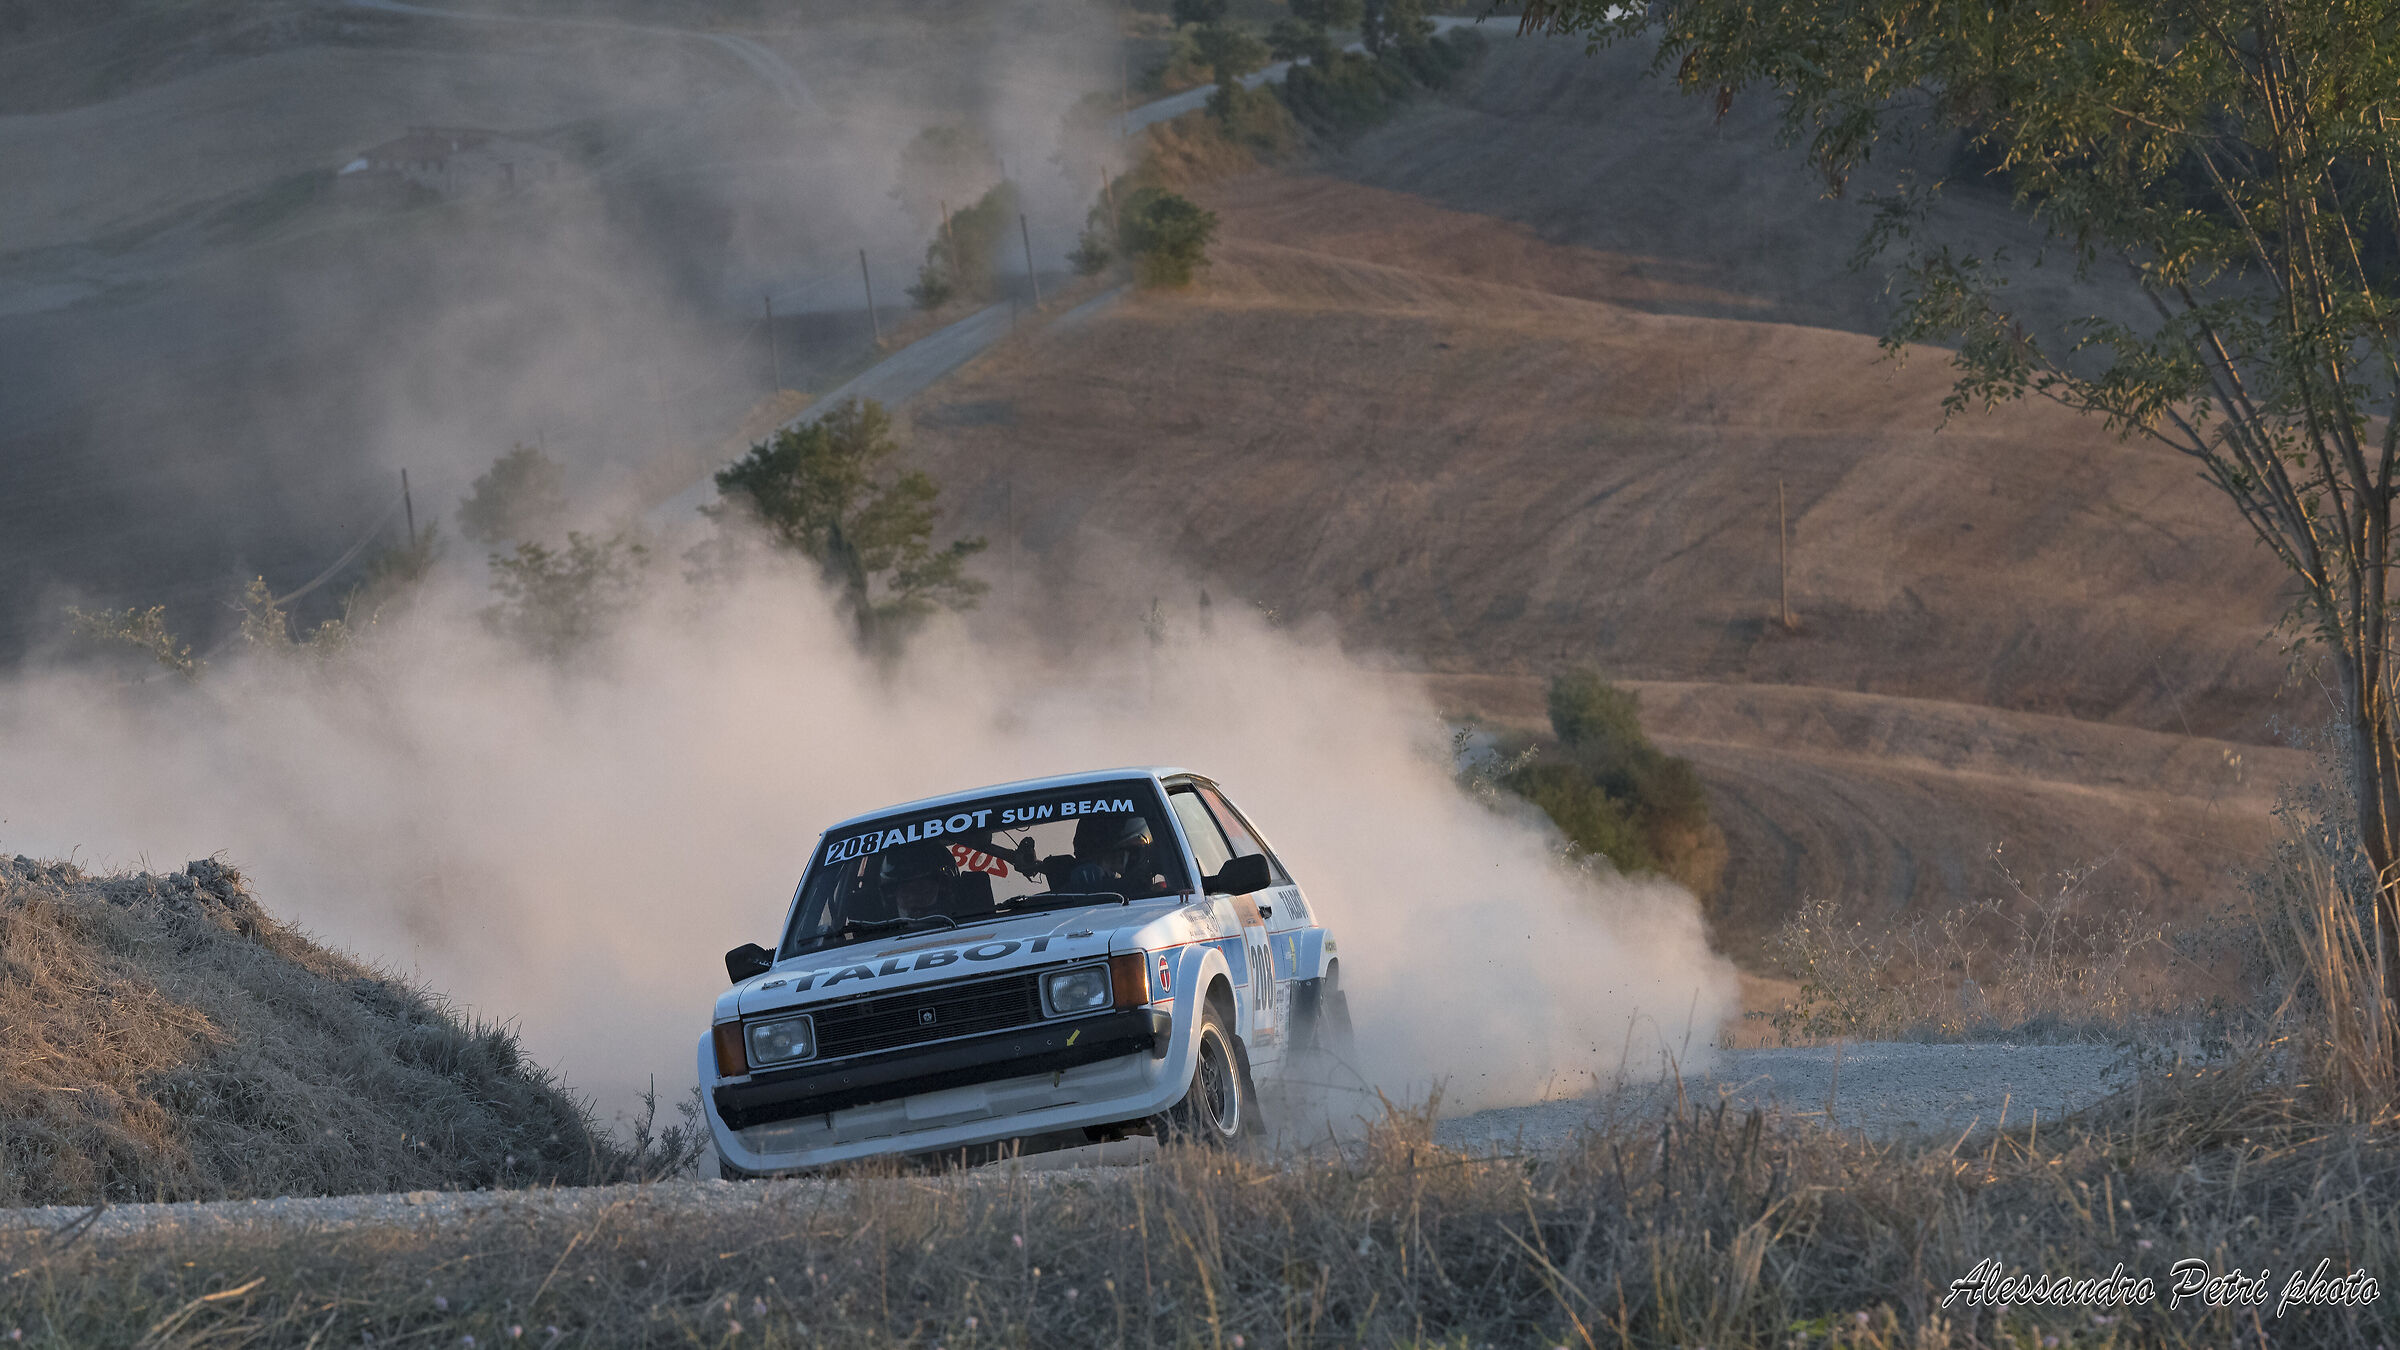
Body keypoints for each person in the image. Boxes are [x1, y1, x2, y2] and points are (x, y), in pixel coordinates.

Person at [878, 840, 959, 920]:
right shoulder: (878, 927)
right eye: (906, 891)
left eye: (922, 889)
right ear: (893, 895)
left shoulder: (965, 920)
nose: (913, 897)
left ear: (943, 886)